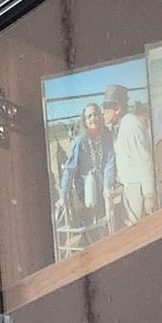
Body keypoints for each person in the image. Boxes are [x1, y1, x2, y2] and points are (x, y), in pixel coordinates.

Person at [57, 101, 116, 243]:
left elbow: (109, 161)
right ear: (84, 120)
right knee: (89, 230)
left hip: (101, 189)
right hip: (83, 193)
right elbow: (69, 169)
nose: (93, 118)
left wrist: (107, 186)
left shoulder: (105, 137)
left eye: (95, 114)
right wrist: (63, 196)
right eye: (89, 116)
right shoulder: (80, 141)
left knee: (104, 224)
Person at [115, 87, 158, 223]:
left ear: (117, 109)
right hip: (131, 187)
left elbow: (144, 160)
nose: (103, 113)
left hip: (138, 188)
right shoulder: (122, 125)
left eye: (106, 108)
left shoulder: (130, 126)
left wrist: (149, 195)